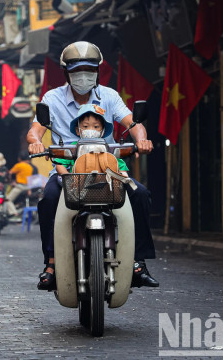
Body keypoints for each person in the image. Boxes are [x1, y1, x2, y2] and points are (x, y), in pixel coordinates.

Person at [27, 41, 159, 291]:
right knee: (48, 199)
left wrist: (141, 139)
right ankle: (51, 264)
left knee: (140, 194)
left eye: (89, 70)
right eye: (77, 71)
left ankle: (137, 263)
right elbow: (35, 130)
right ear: (67, 73)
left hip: (108, 170)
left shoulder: (109, 96)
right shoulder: (52, 98)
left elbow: (132, 122)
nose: (83, 76)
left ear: (97, 71)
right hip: (67, 171)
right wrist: (35, 143)